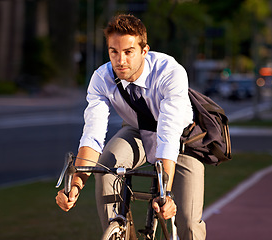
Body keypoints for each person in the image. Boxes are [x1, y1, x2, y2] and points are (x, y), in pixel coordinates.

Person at [56, 13, 206, 240]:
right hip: (138, 131)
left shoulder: (170, 73)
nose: (120, 60)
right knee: (106, 165)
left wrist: (166, 194)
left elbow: (168, 134)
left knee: (189, 224)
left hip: (181, 139)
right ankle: (118, 229)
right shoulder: (102, 78)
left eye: (128, 52)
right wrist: (75, 185)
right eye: (113, 52)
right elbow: (92, 136)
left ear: (144, 51)